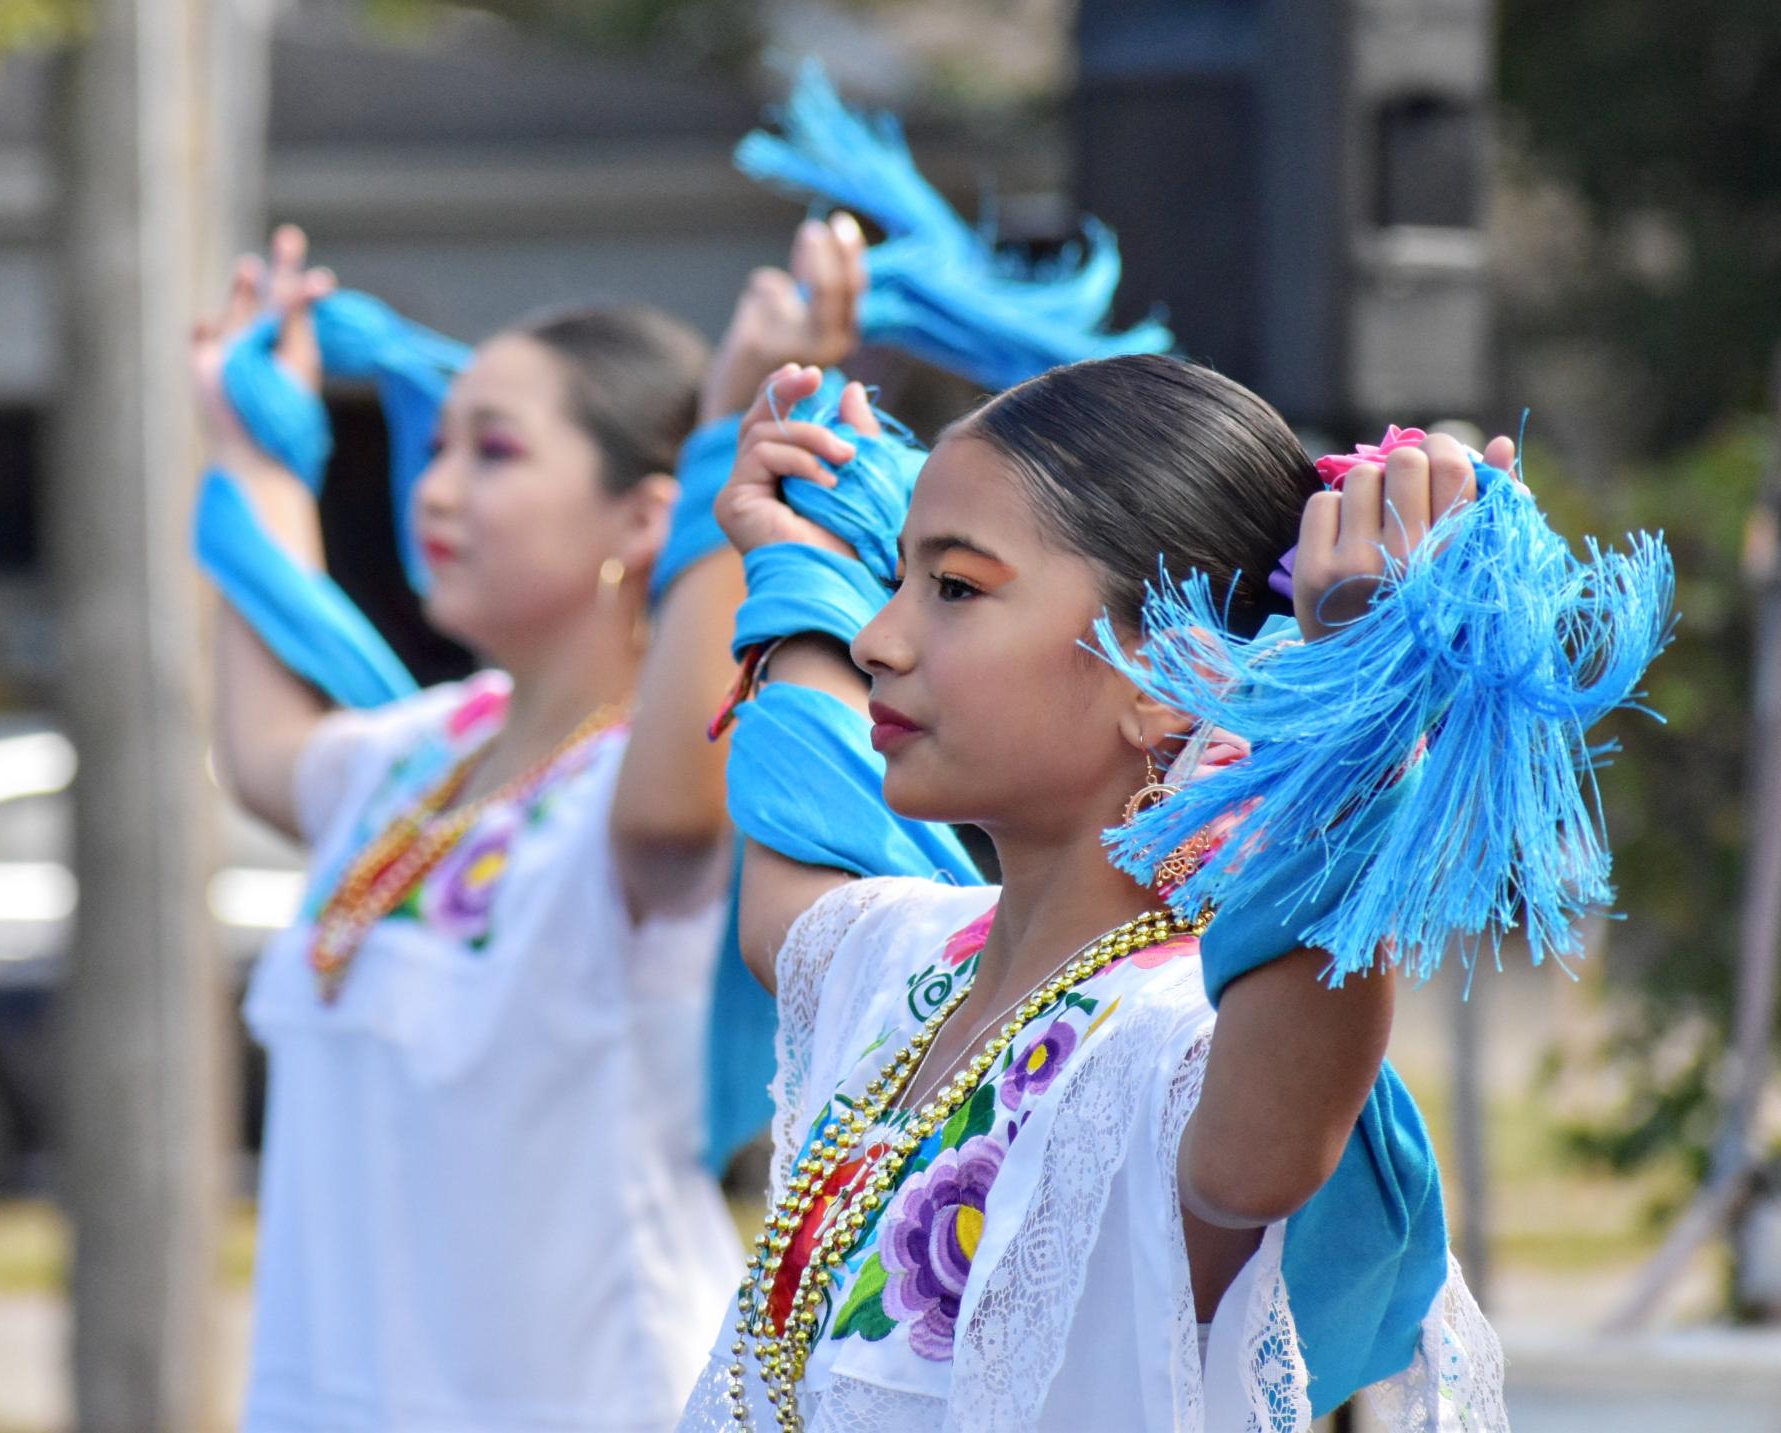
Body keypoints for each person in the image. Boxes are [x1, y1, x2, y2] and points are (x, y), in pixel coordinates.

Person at [680, 356, 1555, 1429]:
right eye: (894, 578)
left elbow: (1268, 1144)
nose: (878, 638)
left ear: (1162, 675)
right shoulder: (905, 966)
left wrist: (1354, 706)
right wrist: (796, 564)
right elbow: (799, 849)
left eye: (953, 586)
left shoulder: (1173, 1039)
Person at [191, 218, 866, 1433]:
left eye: (493, 451)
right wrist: (256, 444)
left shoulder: (648, 776)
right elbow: (259, 751)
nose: (434, 486)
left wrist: (734, 448)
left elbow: (667, 820)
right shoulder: (422, 755)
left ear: (644, 521)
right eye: (439, 444)